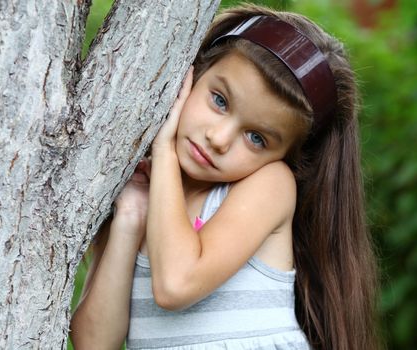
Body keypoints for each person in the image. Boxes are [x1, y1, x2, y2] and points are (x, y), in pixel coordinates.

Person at [70, 4, 379, 350]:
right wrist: (130, 217)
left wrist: (165, 152)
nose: (218, 139)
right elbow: (93, 344)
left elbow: (176, 284)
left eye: (256, 138)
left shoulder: (268, 186)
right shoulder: (150, 196)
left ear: (285, 157)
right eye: (219, 100)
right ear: (193, 74)